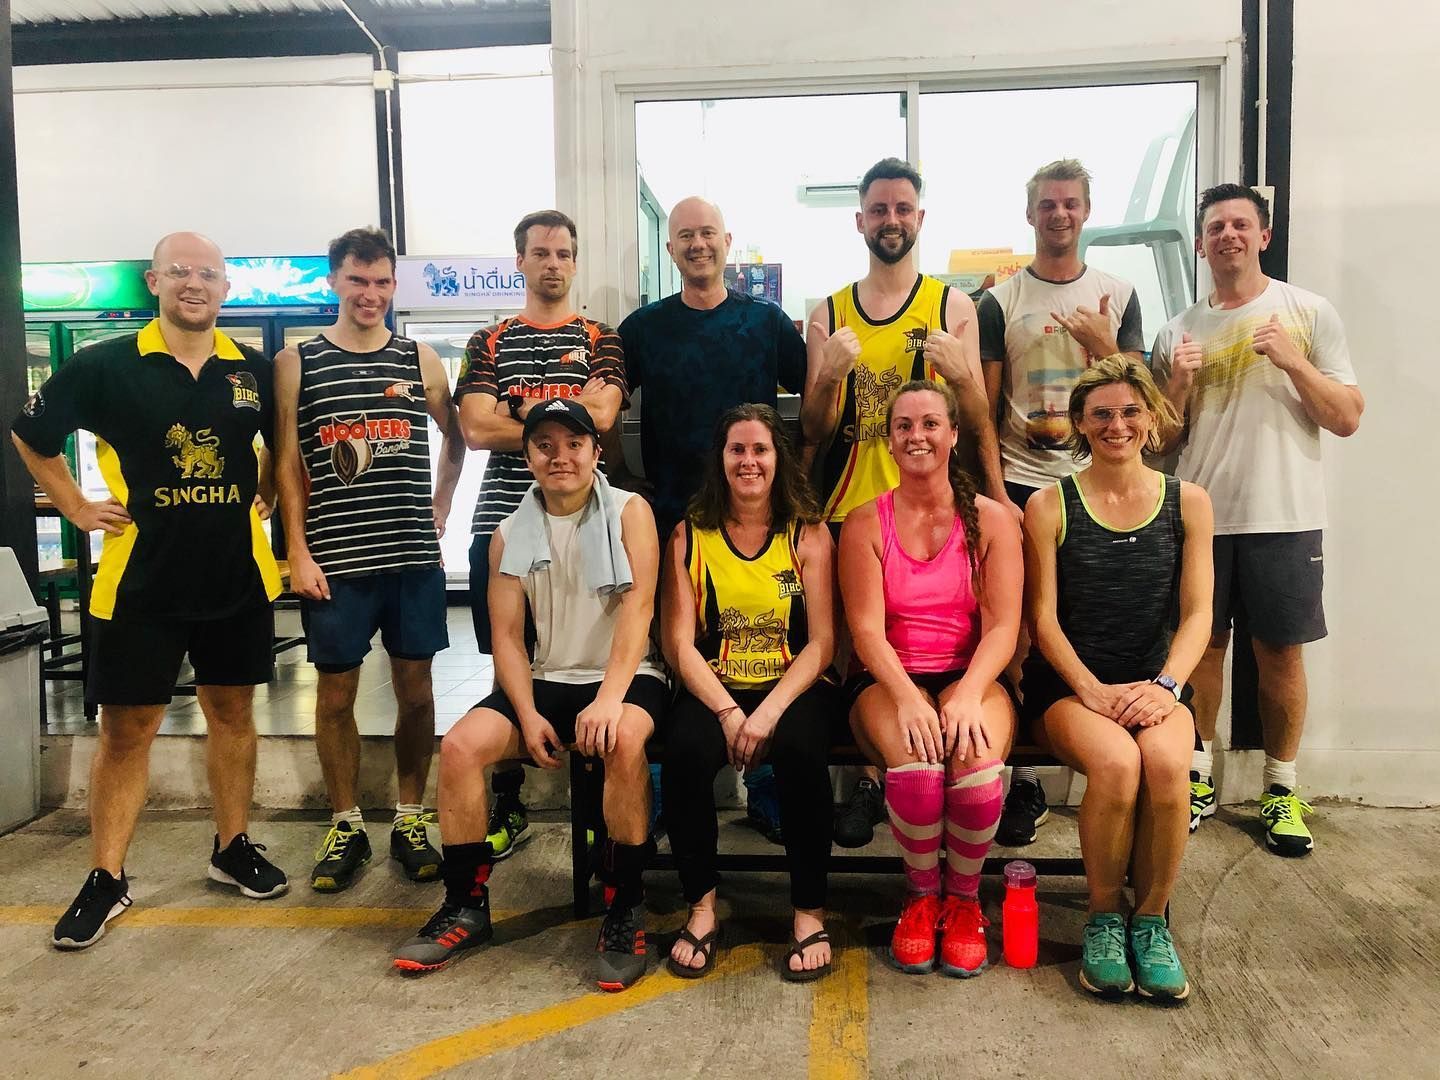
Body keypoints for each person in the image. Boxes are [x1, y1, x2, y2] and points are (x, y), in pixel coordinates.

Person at [11, 232, 288, 950]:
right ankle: (107, 877)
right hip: (138, 581)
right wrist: (74, 505)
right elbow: (31, 434)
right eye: (181, 272)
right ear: (154, 280)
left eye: (209, 274)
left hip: (237, 576)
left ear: (226, 288)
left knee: (233, 713)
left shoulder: (252, 370)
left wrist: (267, 495)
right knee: (126, 732)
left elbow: (271, 453)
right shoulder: (104, 364)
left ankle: (232, 847)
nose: (195, 284)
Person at [393, 399, 666, 993]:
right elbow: (508, 638)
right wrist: (526, 712)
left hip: (628, 674)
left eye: (573, 443)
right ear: (527, 456)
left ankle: (624, 907)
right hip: (549, 679)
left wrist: (609, 699)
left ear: (596, 451)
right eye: (544, 444)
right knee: (463, 746)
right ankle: (466, 905)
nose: (559, 456)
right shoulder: (508, 534)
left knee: (621, 741)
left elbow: (638, 610)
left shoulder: (630, 511)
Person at [1152, 184, 1363, 853]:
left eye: (1240, 224)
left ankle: (1280, 788)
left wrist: (1294, 359)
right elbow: (1158, 443)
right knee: (1202, 651)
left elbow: (1348, 416)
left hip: (1284, 515)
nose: (1227, 236)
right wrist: (1178, 384)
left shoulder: (1307, 312)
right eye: (1215, 227)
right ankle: (1200, 776)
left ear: (1263, 235)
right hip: (1202, 518)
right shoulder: (1177, 330)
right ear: (1201, 242)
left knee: (1280, 656)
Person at [804, 157, 1006, 849]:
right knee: (857, 659)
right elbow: (814, 429)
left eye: (903, 208)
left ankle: (930, 776)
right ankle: (871, 780)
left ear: (920, 218)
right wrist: (827, 378)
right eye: (879, 209)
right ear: (860, 220)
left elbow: (976, 417)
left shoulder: (952, 307)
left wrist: (961, 375)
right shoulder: (827, 313)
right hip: (850, 508)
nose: (891, 219)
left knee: (939, 636)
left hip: (934, 508)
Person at [608, 195, 807, 841]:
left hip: (759, 521)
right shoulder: (641, 330)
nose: (698, 244)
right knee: (677, 655)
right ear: (671, 250)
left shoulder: (766, 323)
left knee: (768, 640)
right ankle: (672, 782)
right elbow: (607, 409)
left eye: (708, 234)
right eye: (685, 235)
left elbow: (814, 400)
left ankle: (767, 787)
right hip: (674, 519)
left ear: (727, 242)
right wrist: (624, 478)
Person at [273, 227, 464, 891]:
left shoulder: (422, 359)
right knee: (336, 694)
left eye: (383, 282)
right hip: (336, 558)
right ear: (334, 280)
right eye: (358, 280)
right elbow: (288, 463)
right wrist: (296, 550)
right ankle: (345, 821)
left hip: (412, 556)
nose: (371, 294)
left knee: (417, 691)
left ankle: (412, 816)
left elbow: (458, 440)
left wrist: (441, 503)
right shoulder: (298, 361)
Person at [1022, 356, 1213, 1000]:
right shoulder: (1050, 505)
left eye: (1130, 411)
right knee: (1117, 765)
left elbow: (1198, 615)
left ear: (1152, 418)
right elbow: (1042, 620)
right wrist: (1091, 690)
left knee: (1164, 764)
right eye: (1101, 413)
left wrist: (1164, 687)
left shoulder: (1189, 502)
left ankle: (1151, 918)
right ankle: (1105, 915)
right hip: (1071, 690)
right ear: (1080, 422)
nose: (1117, 424)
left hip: (1155, 685)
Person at [978, 158, 1147, 848]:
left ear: (1086, 211)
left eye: (1071, 204)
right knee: (1016, 634)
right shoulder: (1002, 301)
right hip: (1019, 481)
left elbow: (1141, 401)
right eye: (1047, 204)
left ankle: (1059, 779)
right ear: (1030, 214)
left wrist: (1103, 346)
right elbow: (980, 410)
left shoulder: (1118, 293)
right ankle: (1019, 782)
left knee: (1074, 625)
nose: (1059, 214)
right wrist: (995, 495)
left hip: (1092, 486)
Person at [454, 210, 628, 861]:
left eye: (563, 253)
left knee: (585, 665)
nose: (552, 263)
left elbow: (604, 416)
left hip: (589, 529)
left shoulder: (601, 337)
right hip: (502, 526)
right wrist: (560, 414)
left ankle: (594, 809)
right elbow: (474, 427)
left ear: (575, 263)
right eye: (540, 253)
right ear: (520, 261)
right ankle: (508, 802)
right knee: (511, 663)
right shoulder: (488, 341)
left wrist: (518, 409)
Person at [838, 380, 1022, 977]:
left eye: (930, 424)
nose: (917, 435)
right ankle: (920, 899)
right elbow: (866, 631)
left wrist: (968, 694)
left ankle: (964, 903)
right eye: (904, 426)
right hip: (888, 676)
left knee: (974, 769)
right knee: (918, 770)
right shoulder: (865, 522)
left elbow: (1002, 625)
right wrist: (907, 700)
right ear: (888, 442)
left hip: (973, 674)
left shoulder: (992, 520)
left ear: (953, 435)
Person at [661, 404, 840, 981]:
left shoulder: (808, 533)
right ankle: (702, 906)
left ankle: (809, 912)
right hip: (718, 686)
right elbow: (680, 645)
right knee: (686, 755)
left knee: (803, 754)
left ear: (778, 457)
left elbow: (821, 644)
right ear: (720, 458)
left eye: (760, 449)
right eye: (737, 449)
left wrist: (766, 713)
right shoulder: (690, 534)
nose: (749, 461)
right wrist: (727, 709)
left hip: (791, 686)